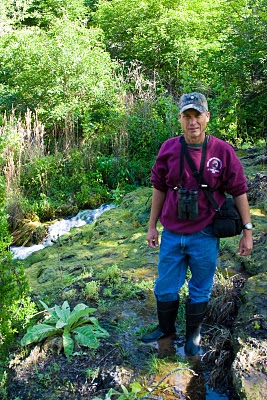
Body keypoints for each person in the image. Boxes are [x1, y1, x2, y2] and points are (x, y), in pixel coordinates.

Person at [141, 92, 253, 356]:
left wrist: (247, 231)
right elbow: (158, 188)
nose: (193, 122)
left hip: (205, 233)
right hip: (171, 232)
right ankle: (165, 329)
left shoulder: (222, 151)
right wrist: (151, 225)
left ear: (207, 118)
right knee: (165, 286)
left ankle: (193, 336)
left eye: (197, 116)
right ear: (180, 119)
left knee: (200, 287)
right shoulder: (168, 148)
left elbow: (239, 191)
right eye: (187, 116)